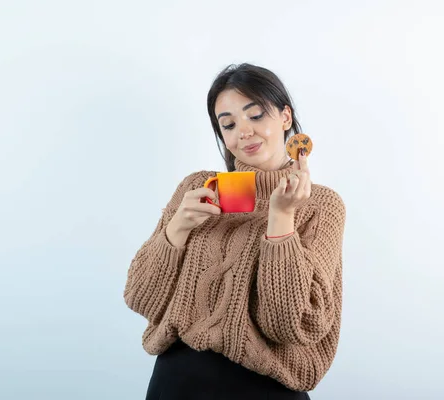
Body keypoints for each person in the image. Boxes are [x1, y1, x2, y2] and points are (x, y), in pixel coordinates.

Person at [124, 63, 346, 400]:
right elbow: (140, 297)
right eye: (228, 124)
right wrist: (177, 228)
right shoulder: (197, 187)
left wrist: (281, 218)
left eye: (255, 115)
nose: (243, 131)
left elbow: (290, 324)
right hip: (177, 383)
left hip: (265, 389)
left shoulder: (321, 206)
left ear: (285, 117)